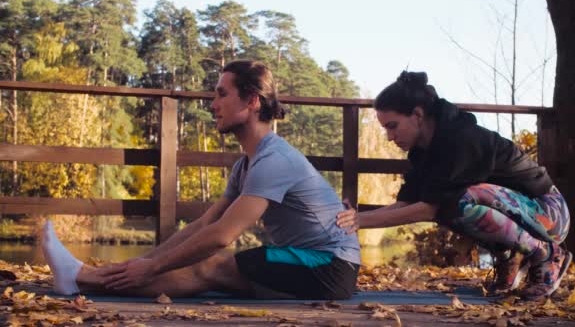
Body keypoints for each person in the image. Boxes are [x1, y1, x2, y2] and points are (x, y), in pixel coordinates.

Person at [43, 60, 360, 300]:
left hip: (330, 266)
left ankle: (82, 278)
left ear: (251, 101)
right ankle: (84, 277)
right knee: (204, 266)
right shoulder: (245, 165)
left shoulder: (274, 160)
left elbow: (222, 235)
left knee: (212, 265)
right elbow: (204, 225)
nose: (213, 104)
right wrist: (143, 261)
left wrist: (151, 269)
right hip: (312, 264)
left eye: (222, 94)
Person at [336, 71, 571, 300]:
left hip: (550, 216)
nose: (389, 136)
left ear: (417, 115)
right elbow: (405, 205)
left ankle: (547, 254)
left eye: (392, 126)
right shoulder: (423, 152)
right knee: (450, 205)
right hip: (525, 215)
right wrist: (354, 217)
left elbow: (429, 208)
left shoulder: (461, 138)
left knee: (456, 200)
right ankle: (509, 258)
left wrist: (359, 222)